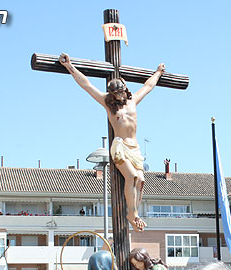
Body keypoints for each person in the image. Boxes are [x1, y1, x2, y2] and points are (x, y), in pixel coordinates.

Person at [59, 52, 166, 232]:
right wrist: (70, 66)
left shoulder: (133, 102)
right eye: (116, 93)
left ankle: (136, 212)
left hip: (135, 147)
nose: (119, 96)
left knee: (141, 180)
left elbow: (148, 86)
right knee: (131, 176)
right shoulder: (108, 104)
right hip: (120, 146)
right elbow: (86, 85)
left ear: (125, 89)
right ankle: (131, 214)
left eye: (121, 92)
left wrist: (158, 72)